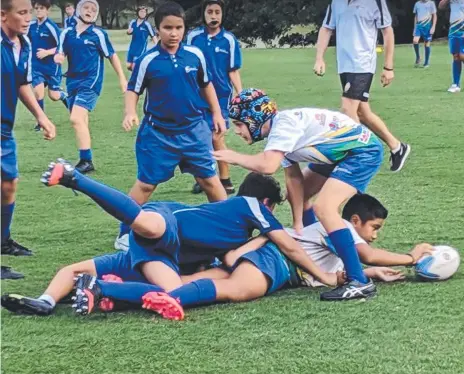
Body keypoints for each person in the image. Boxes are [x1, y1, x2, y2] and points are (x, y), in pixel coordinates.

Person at [0, 162, 337, 316]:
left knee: (170, 291)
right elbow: (290, 244)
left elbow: (236, 257)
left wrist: (261, 240)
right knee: (150, 225)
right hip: (168, 223)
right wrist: (322, 277)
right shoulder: (252, 206)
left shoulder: (237, 234)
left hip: (156, 255)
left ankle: (45, 301)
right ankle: (75, 178)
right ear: (267, 205)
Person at [213, 88, 385, 301]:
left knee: (324, 208)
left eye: (239, 124)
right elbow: (294, 179)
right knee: (303, 199)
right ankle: (315, 252)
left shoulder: (283, 126)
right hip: (338, 152)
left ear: (254, 119)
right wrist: (298, 224)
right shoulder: (278, 133)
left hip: (361, 152)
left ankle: (358, 281)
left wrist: (234, 157)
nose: (237, 131)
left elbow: (267, 166)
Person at [115, 1, 230, 250]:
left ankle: (228, 227)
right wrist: (129, 112)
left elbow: (206, 85)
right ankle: (125, 233)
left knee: (210, 181)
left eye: (178, 27)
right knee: (145, 185)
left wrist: (218, 114)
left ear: (184, 29)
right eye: (168, 28)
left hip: (194, 131)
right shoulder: (149, 60)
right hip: (158, 135)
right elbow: (133, 89)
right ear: (158, 30)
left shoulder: (195, 55)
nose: (174, 33)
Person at [314, 0, 411, 172]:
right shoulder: (336, 2)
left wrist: (388, 67)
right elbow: (326, 28)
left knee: (347, 110)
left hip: (362, 64)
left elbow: (387, 31)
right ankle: (397, 147)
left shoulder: (375, 2)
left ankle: (359, 154)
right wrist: (319, 58)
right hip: (344, 65)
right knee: (362, 113)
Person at [1, 0, 56, 279]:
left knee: (9, 185)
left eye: (29, 13)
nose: (28, 18)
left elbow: (22, 82)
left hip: (4, 129)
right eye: (21, 13)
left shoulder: (24, 44)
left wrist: (41, 116)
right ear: (2, 15)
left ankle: (3, 241)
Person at [55, 0, 127, 173]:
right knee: (81, 121)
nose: (90, 11)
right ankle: (88, 160)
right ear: (79, 10)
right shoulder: (66, 33)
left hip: (90, 82)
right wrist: (58, 57)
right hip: (72, 82)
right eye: (86, 8)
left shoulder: (98, 34)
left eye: (93, 9)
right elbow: (60, 52)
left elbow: (112, 56)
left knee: (75, 119)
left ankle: (86, 161)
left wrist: (122, 79)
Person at [186, 0, 243, 195]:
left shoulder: (229, 40)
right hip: (196, 96)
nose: (213, 16)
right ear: (203, 14)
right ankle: (203, 177)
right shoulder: (193, 37)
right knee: (198, 138)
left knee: (216, 136)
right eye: (209, 12)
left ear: (222, 15)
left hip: (221, 97)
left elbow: (233, 70)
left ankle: (225, 179)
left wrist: (240, 93)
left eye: (217, 12)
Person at [28, 0, 68, 132]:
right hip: (36, 67)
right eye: (37, 8)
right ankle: (41, 121)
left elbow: (62, 46)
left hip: (51, 67)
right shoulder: (32, 25)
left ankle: (64, 96)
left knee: (54, 96)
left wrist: (47, 52)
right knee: (38, 93)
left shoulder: (51, 27)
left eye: (41, 8)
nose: (39, 10)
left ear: (47, 11)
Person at [439, 0, 464, 93]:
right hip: (454, 29)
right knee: (456, 56)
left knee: (462, 55)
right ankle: (455, 84)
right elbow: (441, 6)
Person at [126, 6, 157, 71]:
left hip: (141, 49)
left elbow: (153, 36)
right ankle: (143, 72)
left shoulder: (146, 24)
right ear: (138, 13)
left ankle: (135, 79)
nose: (143, 13)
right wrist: (128, 32)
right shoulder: (133, 22)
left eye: (144, 12)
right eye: (141, 12)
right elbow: (128, 31)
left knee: (135, 66)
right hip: (132, 48)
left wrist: (157, 46)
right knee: (129, 66)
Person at [412, 0, 437, 68]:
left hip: (427, 26)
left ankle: (426, 63)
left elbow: (434, 15)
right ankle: (418, 57)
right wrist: (415, 28)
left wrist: (433, 27)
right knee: (415, 40)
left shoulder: (431, 3)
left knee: (427, 44)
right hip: (419, 26)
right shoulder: (417, 4)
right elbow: (416, 16)